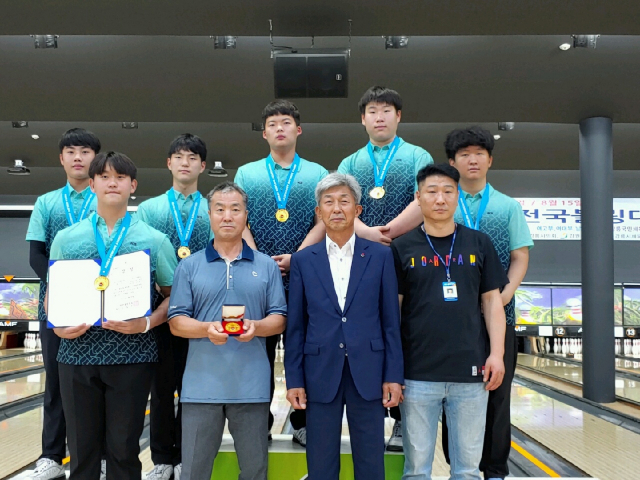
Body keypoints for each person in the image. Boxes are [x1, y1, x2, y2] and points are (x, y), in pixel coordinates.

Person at [49, 151, 178, 480]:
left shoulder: (154, 239)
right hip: (76, 355)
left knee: (124, 450)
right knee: (81, 450)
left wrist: (146, 323)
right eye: (104, 177)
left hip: (132, 356)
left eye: (120, 177)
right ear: (91, 184)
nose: (112, 182)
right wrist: (59, 326)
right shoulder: (66, 239)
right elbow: (53, 294)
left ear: (132, 185)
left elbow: (173, 297)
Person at [390, 164, 508, 480]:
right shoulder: (402, 247)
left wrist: (496, 354)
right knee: (416, 470)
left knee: (467, 471)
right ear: (418, 197)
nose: (440, 199)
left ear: (457, 196)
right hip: (417, 375)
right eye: (431, 191)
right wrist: (393, 367)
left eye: (447, 191)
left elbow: (492, 302)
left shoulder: (479, 243)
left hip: (471, 374)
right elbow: (393, 312)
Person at [285, 173, 404, 480]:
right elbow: (296, 326)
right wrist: (294, 379)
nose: (336, 208)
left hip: (369, 369)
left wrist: (393, 375)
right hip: (319, 370)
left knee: (370, 463)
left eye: (344, 201)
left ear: (357, 210)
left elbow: (391, 321)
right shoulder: (302, 260)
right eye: (329, 202)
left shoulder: (379, 255)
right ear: (319, 212)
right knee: (321, 464)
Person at [336, 86, 434, 450]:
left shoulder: (415, 155)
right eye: (373, 111)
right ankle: (370, 416)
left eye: (387, 111)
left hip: (405, 252)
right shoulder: (351, 163)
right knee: (366, 333)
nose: (380, 117)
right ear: (363, 119)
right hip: (362, 256)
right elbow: (342, 205)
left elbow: (423, 199)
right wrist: (369, 234)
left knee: (402, 334)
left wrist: (388, 232)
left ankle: (400, 421)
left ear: (398, 116)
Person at [168, 182, 287, 480]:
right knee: (194, 471)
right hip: (199, 389)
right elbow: (176, 321)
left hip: (251, 387)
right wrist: (207, 329)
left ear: (246, 215)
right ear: (209, 215)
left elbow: (279, 319)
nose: (227, 216)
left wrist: (256, 326)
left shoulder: (267, 266)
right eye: (220, 209)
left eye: (235, 209)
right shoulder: (190, 266)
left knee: (255, 471)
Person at [234, 100, 328, 446]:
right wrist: (258, 260)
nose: (279, 128)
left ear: (297, 130)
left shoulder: (318, 173)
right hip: (258, 277)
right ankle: (260, 419)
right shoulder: (247, 173)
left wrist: (298, 258)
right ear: (264, 133)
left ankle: (302, 419)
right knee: (257, 350)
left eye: (286, 123)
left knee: (302, 350)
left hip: (304, 276)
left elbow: (323, 220)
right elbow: (239, 218)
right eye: (272, 123)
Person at [443, 126, 534, 480]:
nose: (472, 159)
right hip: (451, 320)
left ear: (490, 159)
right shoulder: (441, 202)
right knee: (452, 396)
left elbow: (520, 256)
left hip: (499, 318)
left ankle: (495, 469)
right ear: (452, 161)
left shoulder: (507, 206)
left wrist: (502, 297)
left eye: (479, 153)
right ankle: (457, 467)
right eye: (464, 154)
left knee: (497, 397)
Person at [25, 128, 101, 480]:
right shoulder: (47, 202)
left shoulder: (106, 199)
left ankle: (96, 458)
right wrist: (66, 285)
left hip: (101, 306)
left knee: (97, 383)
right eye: (70, 151)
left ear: (95, 158)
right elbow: (35, 254)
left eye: (84, 152)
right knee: (56, 384)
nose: (77, 158)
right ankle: (51, 457)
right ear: (61, 158)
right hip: (55, 305)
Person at [137, 133, 211, 480]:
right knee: (162, 389)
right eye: (179, 157)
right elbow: (140, 260)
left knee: (194, 391)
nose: (185, 162)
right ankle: (163, 459)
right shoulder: (150, 209)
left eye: (193, 157)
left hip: (202, 314)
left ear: (203, 166)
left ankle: (186, 458)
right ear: (169, 163)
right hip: (161, 311)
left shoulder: (213, 209)